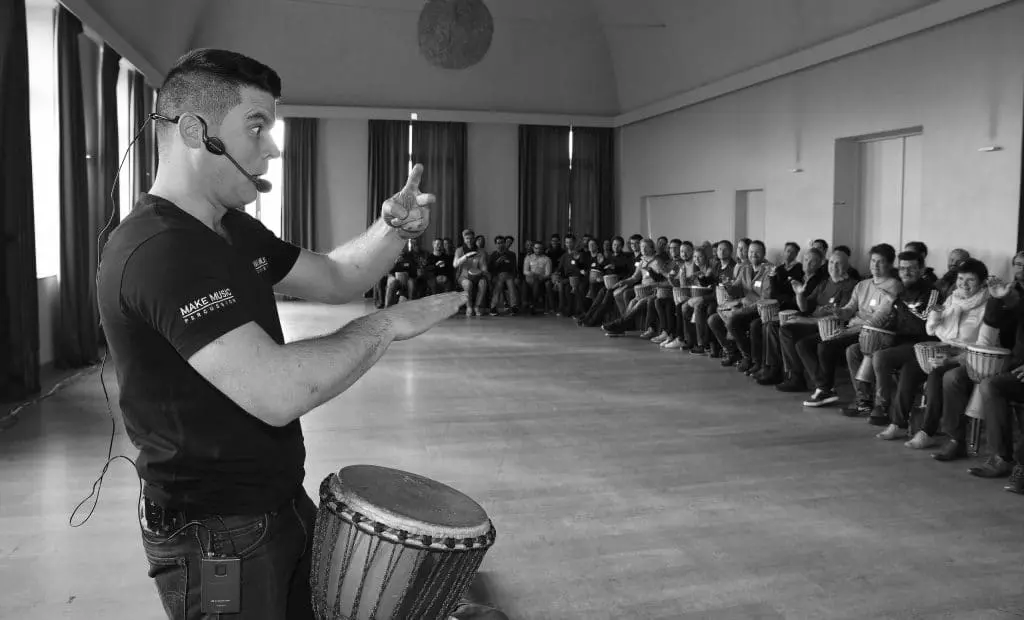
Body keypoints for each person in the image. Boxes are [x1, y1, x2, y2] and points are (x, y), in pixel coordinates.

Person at [96, 49, 501, 620]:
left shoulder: (231, 229)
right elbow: (277, 391)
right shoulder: (161, 251)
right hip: (213, 534)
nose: (273, 147)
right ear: (195, 131)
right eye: (256, 126)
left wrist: (391, 230)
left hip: (275, 500)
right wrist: (384, 324)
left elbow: (337, 276)